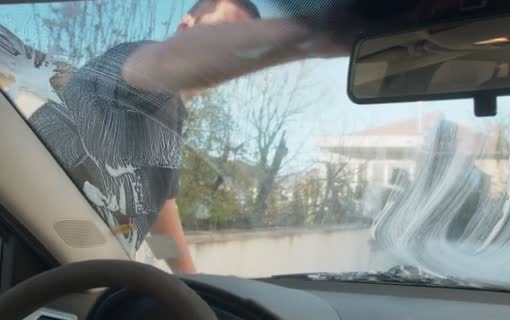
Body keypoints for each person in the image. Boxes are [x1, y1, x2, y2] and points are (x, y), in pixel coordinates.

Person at [29, 0, 343, 274]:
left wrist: (188, 277)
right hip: (29, 247)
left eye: (240, 36)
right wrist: (316, 34)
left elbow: (158, 219)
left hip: (70, 271)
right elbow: (162, 61)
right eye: (222, 32)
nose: (235, 48)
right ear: (185, 27)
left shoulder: (167, 117)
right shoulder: (134, 62)